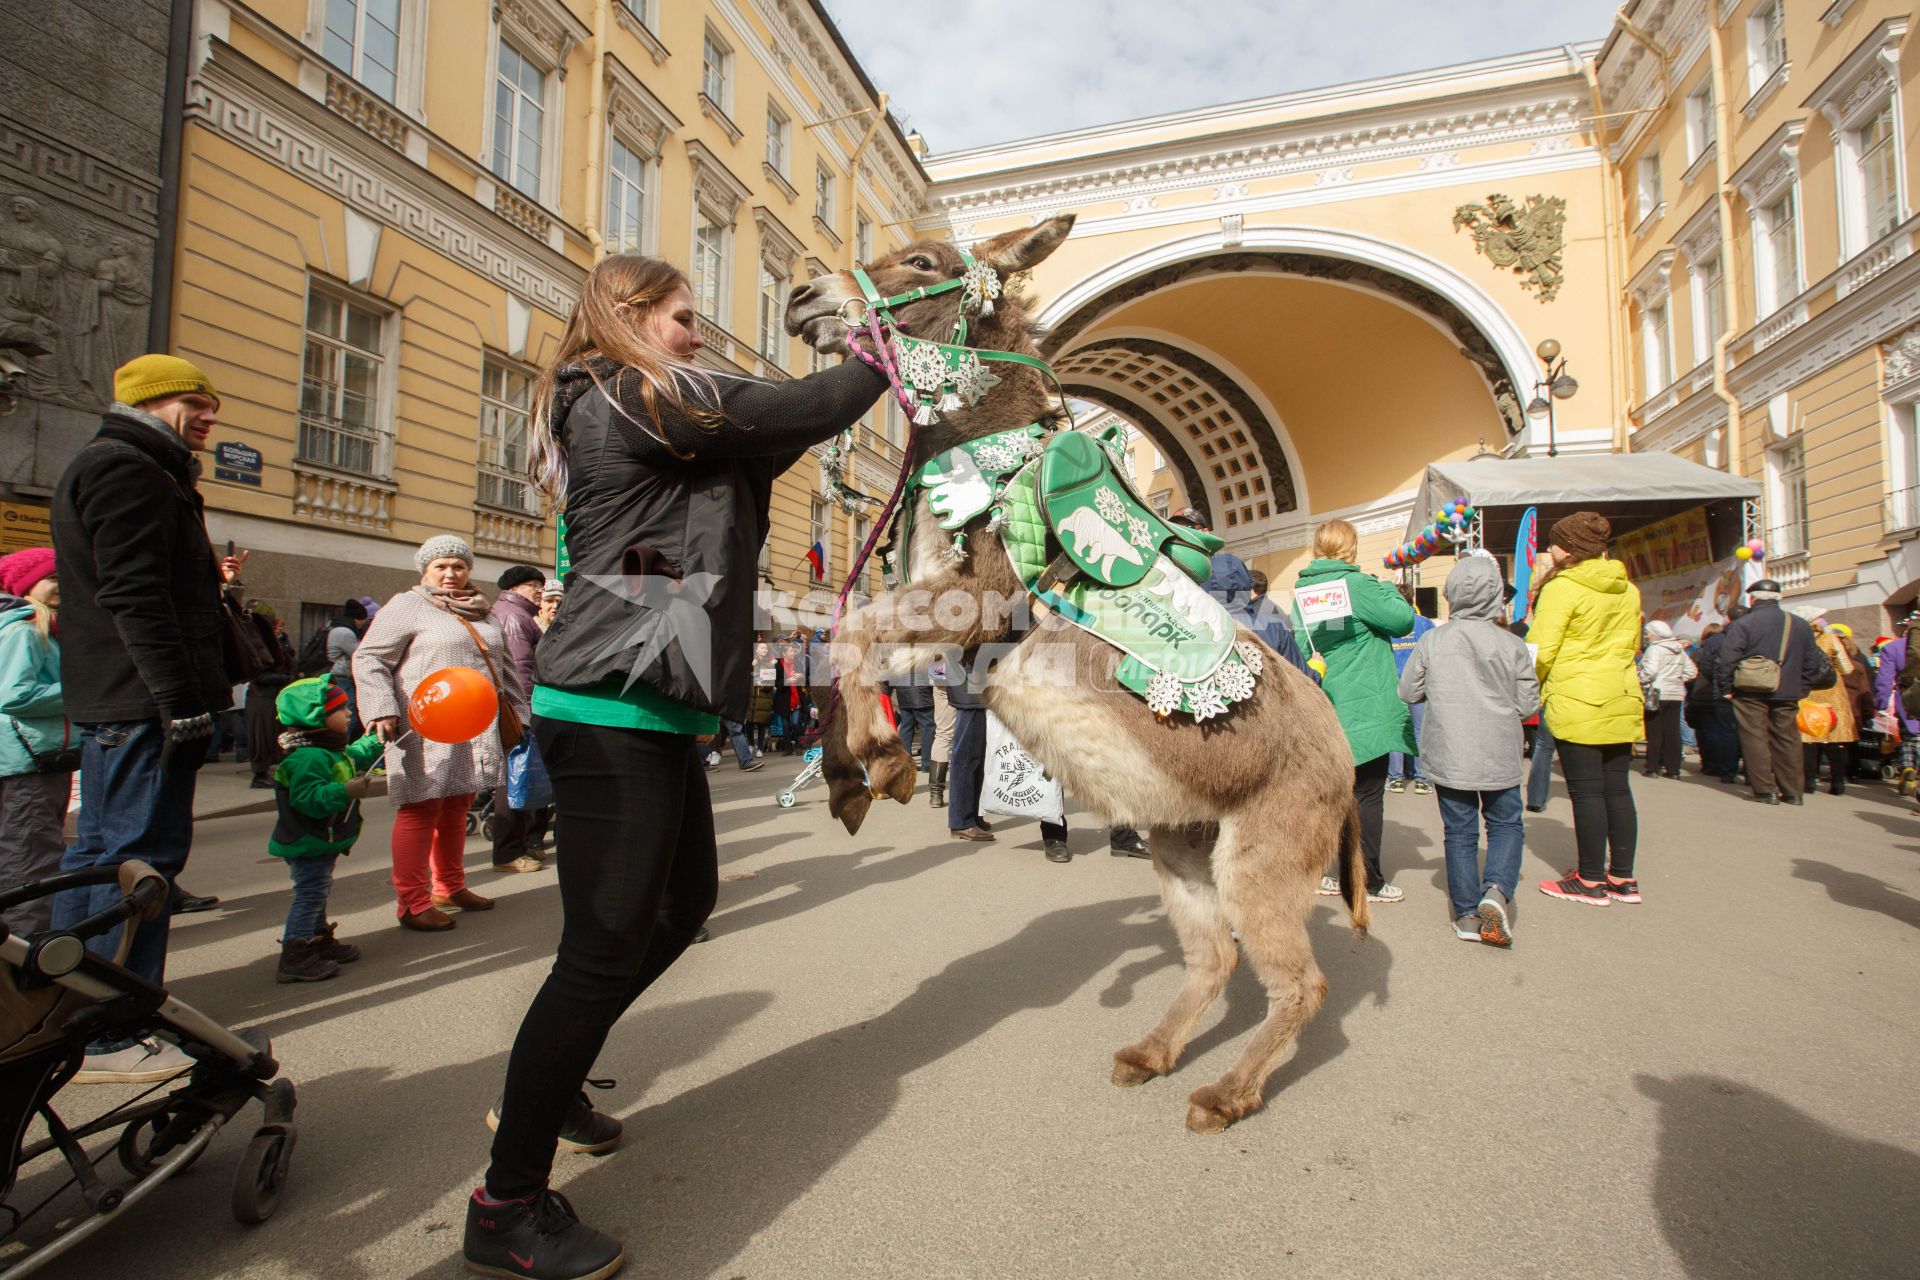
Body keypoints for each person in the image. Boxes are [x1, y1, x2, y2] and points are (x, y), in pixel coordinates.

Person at [470, 252, 889, 1279]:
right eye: (683, 314)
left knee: (681, 898)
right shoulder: (631, 389)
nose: (698, 332)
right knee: (602, 948)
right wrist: (887, 356)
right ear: (630, 317)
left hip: (647, 704)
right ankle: (504, 1201)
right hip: (608, 704)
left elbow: (758, 456)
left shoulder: (659, 415)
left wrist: (830, 393)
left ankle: (551, 1079)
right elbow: (799, 409)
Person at [50, 354, 241, 1085]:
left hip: (128, 703)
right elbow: (135, 597)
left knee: (103, 859)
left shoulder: (127, 465)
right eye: (195, 401)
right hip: (141, 705)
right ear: (151, 403)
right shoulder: (128, 470)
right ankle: (111, 1030)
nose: (209, 415)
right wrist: (178, 700)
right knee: (141, 865)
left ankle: (78, 1008)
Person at [354, 536, 523, 930]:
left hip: (474, 726)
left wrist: (521, 714)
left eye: (459, 566)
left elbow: (505, 667)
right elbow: (369, 657)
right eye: (441, 566)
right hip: (422, 725)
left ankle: (449, 886)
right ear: (425, 570)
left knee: (456, 806)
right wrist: (380, 708)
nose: (451, 574)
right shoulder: (407, 605)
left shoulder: (484, 611)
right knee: (421, 807)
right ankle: (412, 903)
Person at [1396, 555, 1539, 947]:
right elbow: (1528, 706)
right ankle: (1496, 890)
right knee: (1506, 825)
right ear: (1496, 596)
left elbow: (1407, 692)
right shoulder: (1513, 644)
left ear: (1452, 595)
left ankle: (1466, 915)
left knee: (1459, 832)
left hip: (1450, 753)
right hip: (1499, 753)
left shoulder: (1433, 640)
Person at [1293, 517, 1415, 904]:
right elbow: (1402, 621)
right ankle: (1367, 880)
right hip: (1366, 703)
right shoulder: (1360, 585)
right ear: (1350, 548)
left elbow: (1305, 641)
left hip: (1330, 703)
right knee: (1367, 795)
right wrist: (1386, 588)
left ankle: (1329, 871)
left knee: (1333, 797)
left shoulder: (1303, 591)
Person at [1529, 512, 1643, 907]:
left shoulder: (1564, 588)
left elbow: (1540, 650)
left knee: (1586, 792)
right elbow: (1631, 644)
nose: (1550, 549)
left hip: (1578, 698)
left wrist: (1528, 684)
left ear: (1570, 548)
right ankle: (1623, 877)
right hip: (1622, 694)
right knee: (1617, 788)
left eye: (1555, 542)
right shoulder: (1627, 589)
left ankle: (1591, 880)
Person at [268, 677, 383, 982]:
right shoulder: (308, 757)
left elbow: (355, 756)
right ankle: (295, 954)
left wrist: (377, 739)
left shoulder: (327, 749)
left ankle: (317, 940)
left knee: (317, 893)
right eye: (341, 709)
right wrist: (345, 790)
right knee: (309, 894)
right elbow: (307, 799)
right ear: (315, 717)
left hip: (319, 839)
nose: (348, 714)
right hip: (307, 840)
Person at [0, 547, 70, 937]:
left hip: (32, 760)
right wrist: (78, 689)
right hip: (28, 762)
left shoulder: (38, 627)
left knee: (25, 855)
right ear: (28, 585)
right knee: (30, 862)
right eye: (52, 578)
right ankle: (27, 956)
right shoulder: (25, 629)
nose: (61, 585)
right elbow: (14, 695)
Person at [1714, 579, 1832, 806]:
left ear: (1753, 598)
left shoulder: (1744, 623)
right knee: (1788, 739)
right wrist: (1802, 687)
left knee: (1754, 738)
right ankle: (1793, 792)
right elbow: (1812, 663)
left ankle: (1765, 790)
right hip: (1788, 690)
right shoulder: (1798, 624)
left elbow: (1726, 660)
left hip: (1749, 690)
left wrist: (1726, 687)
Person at [490, 564, 554, 872]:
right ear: (514, 589)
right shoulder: (515, 617)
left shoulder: (517, 613)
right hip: (522, 710)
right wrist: (527, 713)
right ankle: (508, 851)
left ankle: (522, 843)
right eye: (533, 585)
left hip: (519, 708)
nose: (539, 590)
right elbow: (520, 669)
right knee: (514, 779)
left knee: (519, 777)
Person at [1798, 620, 1858, 797]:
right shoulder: (1830, 638)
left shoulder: (1800, 639)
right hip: (1832, 692)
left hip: (1807, 691)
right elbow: (1847, 668)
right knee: (1834, 738)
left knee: (1808, 736)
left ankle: (1809, 782)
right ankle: (1837, 783)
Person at [245, 604, 297, 789]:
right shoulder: (258, 643)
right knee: (262, 736)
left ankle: (268, 770)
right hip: (262, 696)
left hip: (272, 695)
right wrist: (284, 678)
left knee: (272, 735)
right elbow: (258, 674)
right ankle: (259, 774)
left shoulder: (273, 642)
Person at [943, 657, 993, 842]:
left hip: (971, 685)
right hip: (969, 687)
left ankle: (971, 816)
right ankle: (961, 822)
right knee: (966, 758)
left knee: (975, 758)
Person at [1684, 620, 1742, 784]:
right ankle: (1723, 764)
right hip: (1726, 691)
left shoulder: (1703, 650)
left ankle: (1711, 763)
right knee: (1724, 730)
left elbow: (1699, 671)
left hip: (1705, 693)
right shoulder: (1735, 642)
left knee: (1708, 730)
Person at [1638, 619, 1696, 779]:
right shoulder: (1679, 649)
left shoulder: (1654, 649)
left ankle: (1652, 767)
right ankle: (1673, 770)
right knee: (1672, 731)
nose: (1647, 636)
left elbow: (1650, 671)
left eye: (1648, 633)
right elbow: (1692, 671)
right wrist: (1676, 680)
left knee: (1654, 731)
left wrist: (1640, 679)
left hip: (1656, 693)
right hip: (1676, 693)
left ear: (1655, 634)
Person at [1387, 606, 1436, 794]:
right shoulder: (1425, 623)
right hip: (1420, 684)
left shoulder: (1388, 623)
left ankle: (1395, 779)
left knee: (1396, 730)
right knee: (1420, 732)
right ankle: (1422, 779)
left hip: (1395, 682)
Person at [890, 668, 936, 774]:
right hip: (922, 693)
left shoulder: (900, 652)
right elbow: (937, 674)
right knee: (927, 727)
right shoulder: (927, 652)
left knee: (906, 727)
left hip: (903, 692)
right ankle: (927, 763)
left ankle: (904, 763)